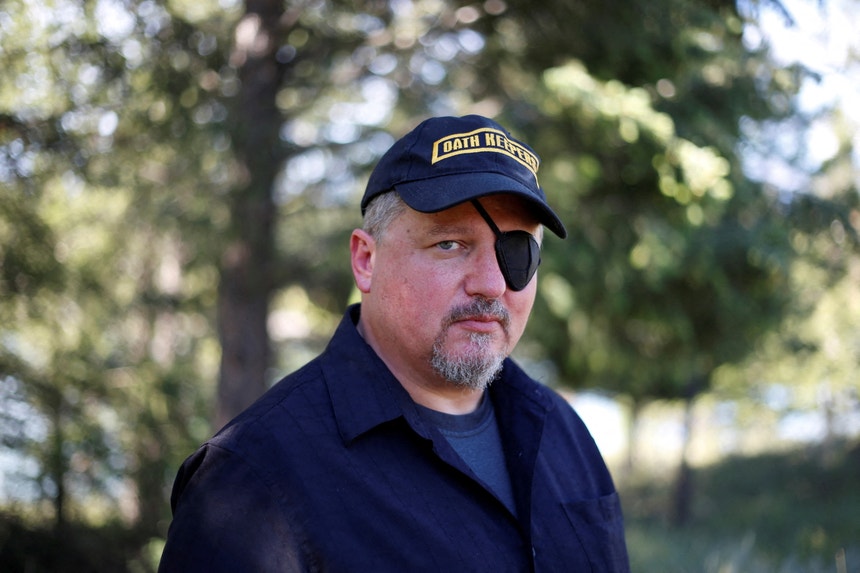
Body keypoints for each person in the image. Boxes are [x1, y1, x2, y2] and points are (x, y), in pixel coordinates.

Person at [158, 115, 630, 572]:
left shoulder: (562, 432)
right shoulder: (253, 478)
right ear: (366, 260)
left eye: (517, 250)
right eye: (449, 244)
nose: (491, 284)